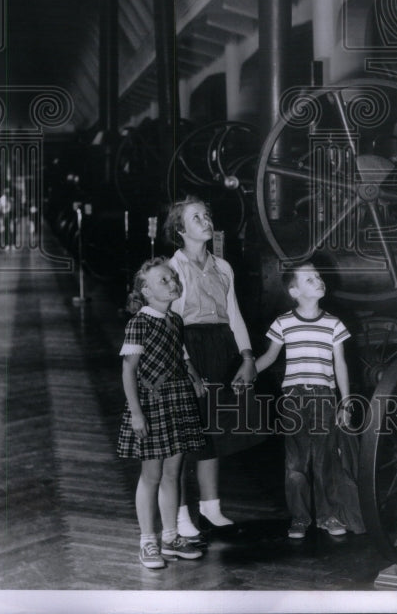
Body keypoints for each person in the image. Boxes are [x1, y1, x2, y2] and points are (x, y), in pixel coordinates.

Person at [165, 195, 256, 539]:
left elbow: (234, 315)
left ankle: (211, 507)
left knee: (213, 432)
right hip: (189, 348)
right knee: (187, 438)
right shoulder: (174, 269)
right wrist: (185, 365)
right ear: (180, 228)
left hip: (221, 349)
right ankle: (179, 514)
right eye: (196, 217)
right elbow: (171, 322)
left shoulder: (223, 267)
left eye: (207, 215)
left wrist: (247, 357)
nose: (205, 220)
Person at [117, 257, 206, 569]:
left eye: (172, 278)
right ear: (145, 290)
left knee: (173, 473)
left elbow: (181, 354)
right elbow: (128, 371)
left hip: (177, 400)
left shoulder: (175, 321)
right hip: (151, 404)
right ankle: (148, 541)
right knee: (151, 475)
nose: (172, 284)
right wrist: (136, 413)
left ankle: (171, 537)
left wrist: (194, 376)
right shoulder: (139, 323)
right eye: (163, 281)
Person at [253, 262, 352, 540]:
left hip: (324, 397)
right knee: (296, 463)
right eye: (310, 279)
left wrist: (345, 401)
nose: (319, 280)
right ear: (294, 291)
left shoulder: (334, 324)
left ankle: (328, 515)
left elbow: (340, 363)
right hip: (294, 397)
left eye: (319, 276)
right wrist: (247, 373)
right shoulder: (283, 322)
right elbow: (270, 357)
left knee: (326, 460)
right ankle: (299, 517)